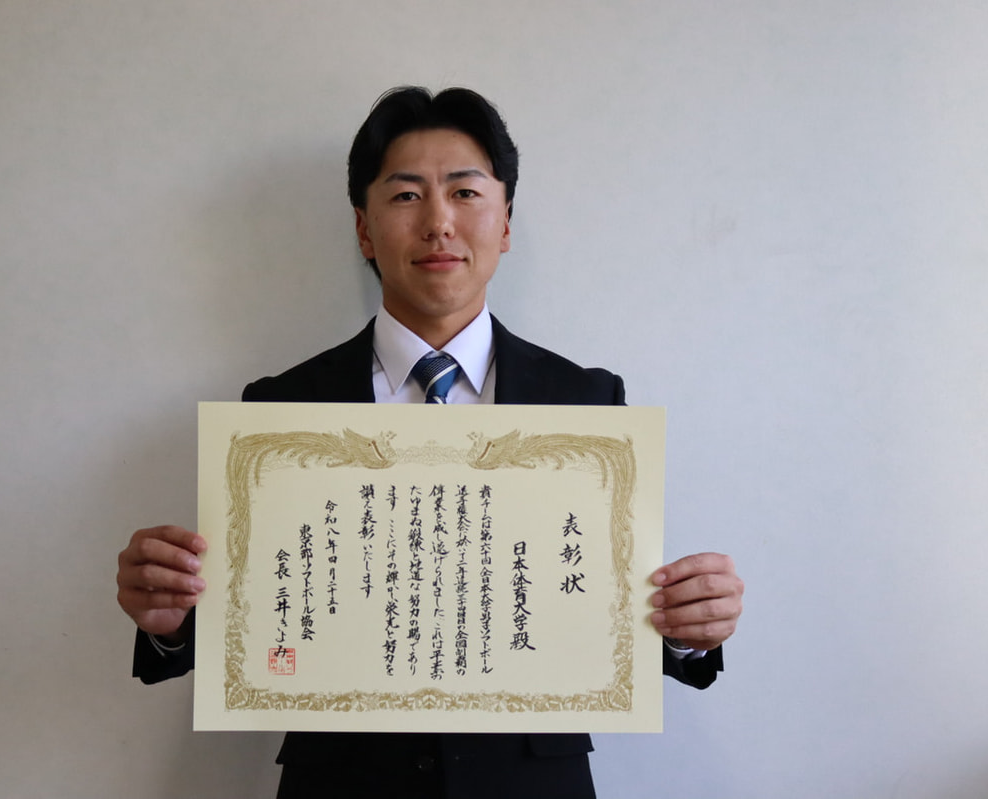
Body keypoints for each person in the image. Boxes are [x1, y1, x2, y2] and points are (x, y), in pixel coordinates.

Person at [116, 86, 744, 799]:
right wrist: (171, 622)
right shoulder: (278, 410)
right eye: (407, 195)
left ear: (505, 222)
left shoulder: (588, 402)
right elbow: (265, 612)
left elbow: (608, 615)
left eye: (465, 192)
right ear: (364, 230)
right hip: (342, 784)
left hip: (531, 783)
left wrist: (688, 628)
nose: (439, 222)